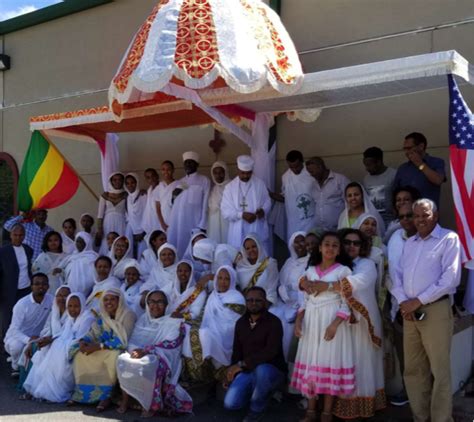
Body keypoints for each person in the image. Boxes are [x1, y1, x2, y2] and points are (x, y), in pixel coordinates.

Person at [390, 199, 461, 422]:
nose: (420, 219)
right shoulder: (410, 243)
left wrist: (417, 300)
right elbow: (397, 277)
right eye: (416, 215)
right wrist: (404, 301)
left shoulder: (449, 239)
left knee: (439, 370)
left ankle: (441, 419)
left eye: (426, 214)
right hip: (410, 312)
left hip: (435, 311)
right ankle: (420, 417)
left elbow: (450, 279)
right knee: (413, 370)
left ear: (436, 215)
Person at [292, 232, 354, 422]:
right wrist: (298, 321)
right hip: (311, 322)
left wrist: (335, 324)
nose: (330, 248)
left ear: (339, 250)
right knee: (313, 363)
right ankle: (311, 410)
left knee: (329, 363)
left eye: (335, 245)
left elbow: (347, 303)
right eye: (326, 244)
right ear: (319, 248)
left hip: (331, 321)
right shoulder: (310, 272)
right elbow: (304, 301)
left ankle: (327, 412)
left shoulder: (343, 272)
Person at [332, 229, 386, 419]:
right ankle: (342, 405)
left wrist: (330, 285)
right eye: (347, 242)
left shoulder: (367, 264)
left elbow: (359, 282)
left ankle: (363, 407)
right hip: (342, 322)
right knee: (344, 362)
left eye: (356, 243)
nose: (351, 246)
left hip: (364, 322)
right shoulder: (336, 264)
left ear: (362, 247)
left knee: (362, 363)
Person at [116, 290, 193, 417]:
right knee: (122, 360)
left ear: (166, 304)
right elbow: (133, 340)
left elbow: (172, 344)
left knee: (150, 365)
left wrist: (146, 351)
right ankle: (125, 400)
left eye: (160, 302)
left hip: (162, 356)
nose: (155, 305)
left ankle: (149, 405)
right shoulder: (143, 319)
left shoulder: (172, 321)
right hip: (140, 353)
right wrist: (134, 351)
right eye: (151, 301)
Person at [224, 287, 286, 422]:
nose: (253, 303)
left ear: (264, 302)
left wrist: (242, 364)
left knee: (262, 370)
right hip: (248, 371)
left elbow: (271, 351)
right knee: (230, 404)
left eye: (258, 300)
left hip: (271, 370)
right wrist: (231, 371)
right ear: (245, 302)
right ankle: (260, 393)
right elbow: (237, 351)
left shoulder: (274, 322)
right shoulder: (241, 323)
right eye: (250, 300)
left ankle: (257, 408)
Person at [70, 288, 136, 411]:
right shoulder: (102, 315)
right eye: (105, 299)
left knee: (113, 356)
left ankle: (105, 396)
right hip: (102, 347)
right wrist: (84, 341)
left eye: (112, 299)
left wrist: (98, 347)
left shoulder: (128, 315)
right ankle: (83, 394)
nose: (108, 302)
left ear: (119, 300)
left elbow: (123, 340)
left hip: (121, 348)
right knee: (80, 354)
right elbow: (93, 333)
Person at [23, 292, 95, 403]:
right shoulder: (71, 318)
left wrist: (58, 343)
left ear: (82, 305)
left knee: (56, 348)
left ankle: (53, 391)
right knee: (45, 349)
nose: (72, 309)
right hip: (66, 345)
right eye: (70, 306)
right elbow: (62, 333)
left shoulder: (87, 317)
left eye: (76, 306)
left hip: (78, 346)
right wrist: (51, 340)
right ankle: (39, 388)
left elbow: (81, 338)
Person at [386, 203, 417, 407]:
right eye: (402, 216)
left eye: (410, 216)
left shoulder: (438, 239)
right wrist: (401, 302)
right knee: (406, 356)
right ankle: (409, 393)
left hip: (425, 306)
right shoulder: (396, 239)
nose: (406, 220)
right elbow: (392, 276)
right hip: (401, 307)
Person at [18, 285, 71, 395]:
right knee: (33, 347)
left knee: (44, 351)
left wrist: (52, 339)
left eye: (66, 296)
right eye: (59, 295)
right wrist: (42, 338)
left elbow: (70, 333)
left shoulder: (72, 312)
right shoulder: (53, 312)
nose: (62, 298)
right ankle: (29, 387)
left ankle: (42, 388)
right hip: (51, 340)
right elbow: (46, 329)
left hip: (64, 344)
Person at [4, 273, 53, 373]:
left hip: (39, 336)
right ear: (32, 286)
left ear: (48, 286)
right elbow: (14, 329)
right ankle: (15, 366)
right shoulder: (22, 304)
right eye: (37, 284)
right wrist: (29, 340)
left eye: (44, 284)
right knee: (17, 347)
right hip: (18, 337)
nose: (41, 286)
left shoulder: (52, 300)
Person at [198, 266, 246, 370]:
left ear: (232, 280)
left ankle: (218, 366)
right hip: (211, 328)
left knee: (206, 334)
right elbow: (206, 317)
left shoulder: (237, 297)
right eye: (220, 278)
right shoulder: (213, 295)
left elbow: (235, 321)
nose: (223, 282)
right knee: (201, 333)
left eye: (227, 279)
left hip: (229, 330)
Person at [221, 155, 272, 253]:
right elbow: (225, 211)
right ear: (238, 170)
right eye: (242, 173)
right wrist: (242, 215)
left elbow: (267, 201)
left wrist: (263, 211)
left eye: (248, 173)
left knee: (258, 254)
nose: (245, 176)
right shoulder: (229, 188)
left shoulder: (260, 184)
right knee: (239, 255)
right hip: (237, 229)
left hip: (256, 226)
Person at [270, 231, 308, 359]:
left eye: (302, 240)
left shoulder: (311, 261)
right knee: (273, 314)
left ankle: (289, 361)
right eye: (296, 242)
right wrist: (283, 290)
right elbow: (281, 281)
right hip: (286, 301)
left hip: (302, 302)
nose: (299, 245)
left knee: (289, 327)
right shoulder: (289, 262)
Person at [168, 152, 211, 257]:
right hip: (179, 223)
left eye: (191, 163)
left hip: (195, 223)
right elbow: (173, 204)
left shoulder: (204, 180)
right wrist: (173, 196)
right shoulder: (180, 182)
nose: (188, 165)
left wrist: (202, 224)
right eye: (186, 163)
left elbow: (205, 203)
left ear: (197, 164)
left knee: (194, 251)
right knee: (180, 247)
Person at [271, 150, 317, 240]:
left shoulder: (311, 174)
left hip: (311, 219)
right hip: (293, 221)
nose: (294, 170)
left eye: (297, 166)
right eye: (291, 167)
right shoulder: (285, 177)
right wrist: (271, 195)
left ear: (302, 162)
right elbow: (285, 198)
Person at [393, 132, 446, 207]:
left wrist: (420, 164)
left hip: (428, 214)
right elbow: (395, 193)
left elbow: (438, 180)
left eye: (409, 148)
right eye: (405, 149)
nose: (406, 152)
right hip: (408, 215)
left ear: (421, 146)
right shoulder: (403, 168)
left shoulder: (436, 162)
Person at [0, 224, 34, 339]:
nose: (18, 237)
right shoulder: (3, 252)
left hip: (25, 290)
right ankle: (5, 346)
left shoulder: (28, 250)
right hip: (8, 291)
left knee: (23, 319)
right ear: (10, 235)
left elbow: (29, 269)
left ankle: (20, 345)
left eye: (21, 235)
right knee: (7, 320)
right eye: (15, 235)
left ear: (24, 235)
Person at [305, 157, 350, 232]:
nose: (311, 175)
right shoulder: (313, 185)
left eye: (312, 172)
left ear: (320, 167)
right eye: (309, 172)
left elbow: (350, 203)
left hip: (339, 229)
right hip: (320, 230)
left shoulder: (340, 180)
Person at [236, 234, 279, 306]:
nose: (251, 250)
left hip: (264, 304)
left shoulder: (270, 263)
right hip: (246, 305)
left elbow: (272, 291)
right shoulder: (240, 266)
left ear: (259, 246)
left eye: (254, 246)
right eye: (248, 248)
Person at [362, 147, 396, 227]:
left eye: (369, 165)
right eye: (365, 165)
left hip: (391, 220)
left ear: (379, 162)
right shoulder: (366, 179)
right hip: (374, 222)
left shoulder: (393, 175)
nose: (366, 168)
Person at [139, 243, 179, 308]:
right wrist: (145, 293)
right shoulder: (156, 270)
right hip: (156, 298)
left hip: (174, 299)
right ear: (159, 257)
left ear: (175, 256)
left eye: (170, 254)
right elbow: (149, 283)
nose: (167, 257)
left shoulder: (180, 269)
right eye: (163, 255)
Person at [97, 172, 128, 255]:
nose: (117, 182)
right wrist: (99, 228)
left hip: (121, 222)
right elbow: (100, 215)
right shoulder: (105, 195)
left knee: (120, 241)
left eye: (119, 180)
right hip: (107, 223)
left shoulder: (126, 195)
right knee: (107, 242)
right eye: (115, 180)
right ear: (111, 181)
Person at [61, 232, 98, 296]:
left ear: (87, 243)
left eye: (81, 242)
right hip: (69, 291)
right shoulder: (72, 256)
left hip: (88, 292)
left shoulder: (93, 257)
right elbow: (66, 272)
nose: (79, 244)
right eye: (77, 242)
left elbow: (94, 275)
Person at [124, 173, 147, 258]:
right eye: (127, 183)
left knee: (142, 255)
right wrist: (133, 231)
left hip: (143, 232)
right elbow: (129, 216)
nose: (130, 185)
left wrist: (143, 232)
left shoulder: (143, 195)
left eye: (132, 182)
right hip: (131, 231)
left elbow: (147, 214)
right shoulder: (127, 198)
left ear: (137, 182)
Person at [207, 161, 231, 244]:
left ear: (226, 172)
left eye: (221, 172)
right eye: (215, 173)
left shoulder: (232, 187)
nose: (218, 175)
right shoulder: (213, 189)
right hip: (214, 224)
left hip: (228, 223)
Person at [156, 161, 180, 232]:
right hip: (163, 221)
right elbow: (158, 207)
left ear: (173, 170)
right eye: (163, 169)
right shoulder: (159, 186)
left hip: (175, 220)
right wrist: (162, 223)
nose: (166, 172)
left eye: (168, 169)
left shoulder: (179, 185)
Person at [141, 168, 161, 235]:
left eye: (153, 176)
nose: (151, 179)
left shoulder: (162, 188)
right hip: (151, 222)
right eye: (148, 177)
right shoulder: (149, 190)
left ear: (157, 176)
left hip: (159, 221)